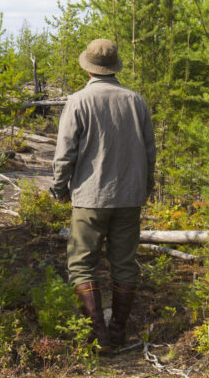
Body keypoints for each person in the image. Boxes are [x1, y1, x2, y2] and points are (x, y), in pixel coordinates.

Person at [51, 39, 155, 351]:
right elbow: (150, 153)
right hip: (129, 196)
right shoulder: (136, 101)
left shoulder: (79, 101)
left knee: (82, 265)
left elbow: (64, 152)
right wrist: (144, 189)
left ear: (88, 67)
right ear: (114, 67)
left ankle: (99, 337)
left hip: (90, 197)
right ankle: (118, 332)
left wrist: (59, 189)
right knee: (125, 265)